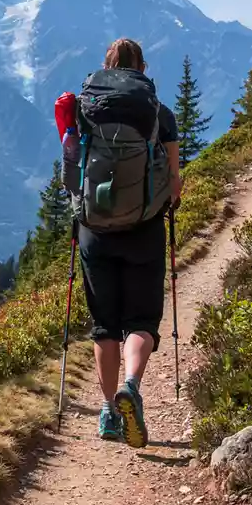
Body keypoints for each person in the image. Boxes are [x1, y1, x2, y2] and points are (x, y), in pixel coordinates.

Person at [69, 38, 181, 448]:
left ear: (106, 66)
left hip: (94, 231)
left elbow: (72, 166)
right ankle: (131, 387)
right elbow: (174, 181)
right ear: (142, 68)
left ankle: (107, 414)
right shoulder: (158, 113)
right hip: (144, 230)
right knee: (141, 321)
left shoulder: (86, 109)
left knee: (104, 326)